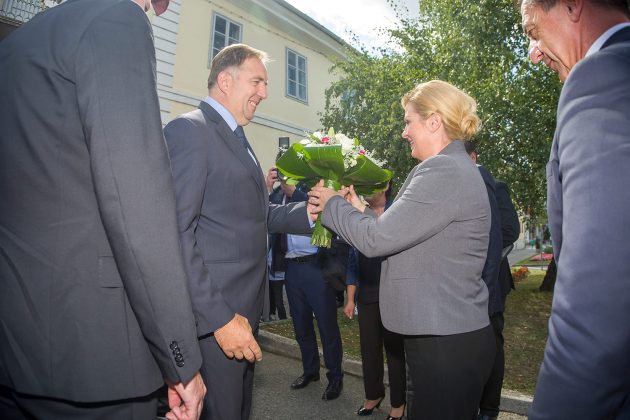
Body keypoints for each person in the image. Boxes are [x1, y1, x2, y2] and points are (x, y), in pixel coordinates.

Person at [0, 1, 206, 419]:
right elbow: (136, 203)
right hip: (95, 357)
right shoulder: (117, 18)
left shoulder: (17, 44)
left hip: (15, 346)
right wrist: (181, 361)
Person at [309, 80, 495, 419]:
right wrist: (357, 207)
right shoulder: (452, 168)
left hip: (444, 342)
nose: (404, 132)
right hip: (446, 334)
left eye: (409, 121)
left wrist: (332, 204)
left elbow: (377, 239)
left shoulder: (442, 170)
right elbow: (399, 232)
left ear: (434, 121)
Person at [163, 43, 313, 420]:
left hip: (242, 316)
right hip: (216, 322)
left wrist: (313, 212)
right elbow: (175, 234)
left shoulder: (237, 138)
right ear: (226, 81)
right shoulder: (190, 130)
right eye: (257, 81)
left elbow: (257, 215)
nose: (264, 93)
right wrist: (220, 318)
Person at [519, 0, 630, 417]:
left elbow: (596, 316)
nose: (534, 54)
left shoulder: (600, 76)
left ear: (571, 5)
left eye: (534, 31)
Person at [466, 143, 521, 420]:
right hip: (462, 285)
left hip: (493, 282)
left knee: (491, 347)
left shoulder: (496, 187)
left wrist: (476, 252)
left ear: (473, 157)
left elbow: (510, 229)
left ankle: (489, 409)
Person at [343, 184, 407, 420]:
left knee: (395, 352)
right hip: (367, 293)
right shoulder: (358, 214)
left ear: (386, 186)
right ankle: (373, 395)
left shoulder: (399, 210)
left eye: (372, 183)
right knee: (369, 349)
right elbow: (352, 260)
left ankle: (398, 403)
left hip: (394, 293)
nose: (367, 189)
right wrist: (350, 298)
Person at [281, 184, 345, 401]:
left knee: (327, 326)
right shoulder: (278, 197)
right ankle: (310, 370)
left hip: (315, 267)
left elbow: (319, 209)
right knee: (301, 325)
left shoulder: (309, 191)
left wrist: (295, 192)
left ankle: (335, 377)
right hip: (292, 268)